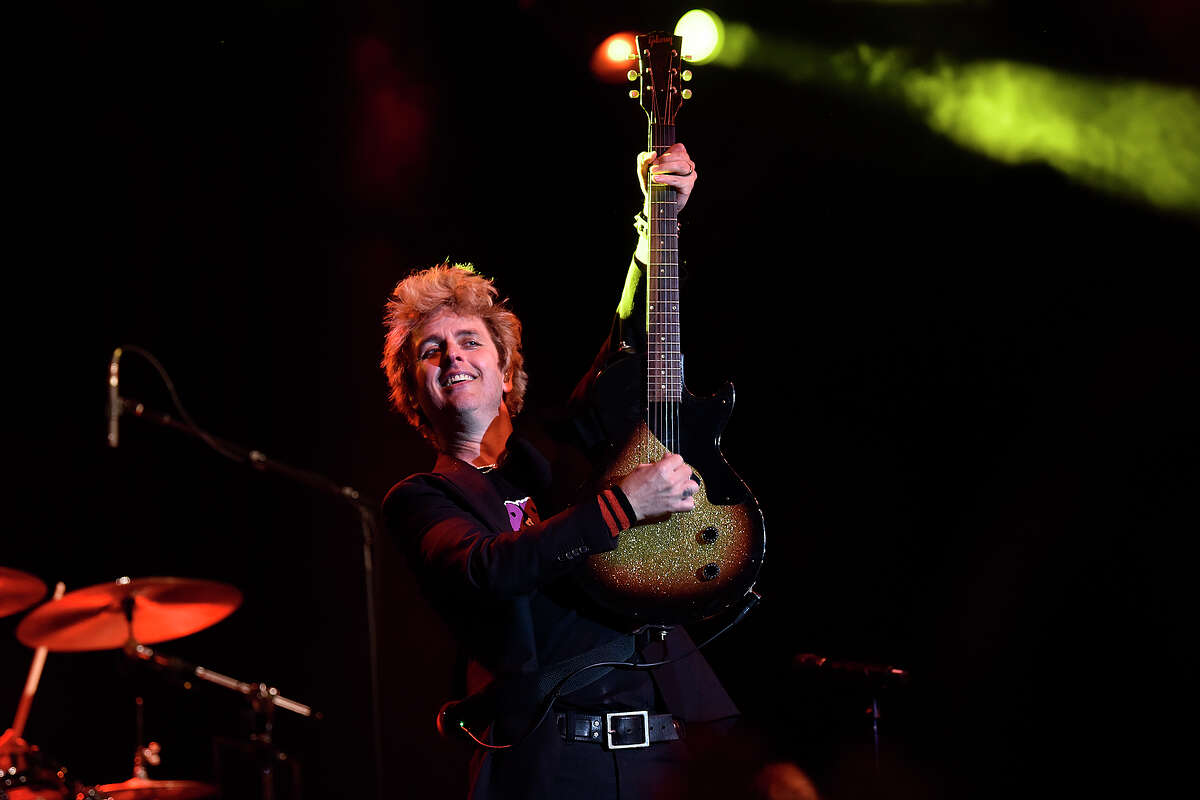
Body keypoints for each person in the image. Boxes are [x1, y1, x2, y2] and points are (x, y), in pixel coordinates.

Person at [381, 144, 740, 799]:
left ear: (506, 368)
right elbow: (489, 568)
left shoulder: (565, 443)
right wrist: (622, 507)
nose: (452, 357)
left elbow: (628, 338)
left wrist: (656, 225)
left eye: (469, 342)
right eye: (431, 352)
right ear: (412, 390)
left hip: (675, 749)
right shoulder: (422, 499)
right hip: (553, 766)